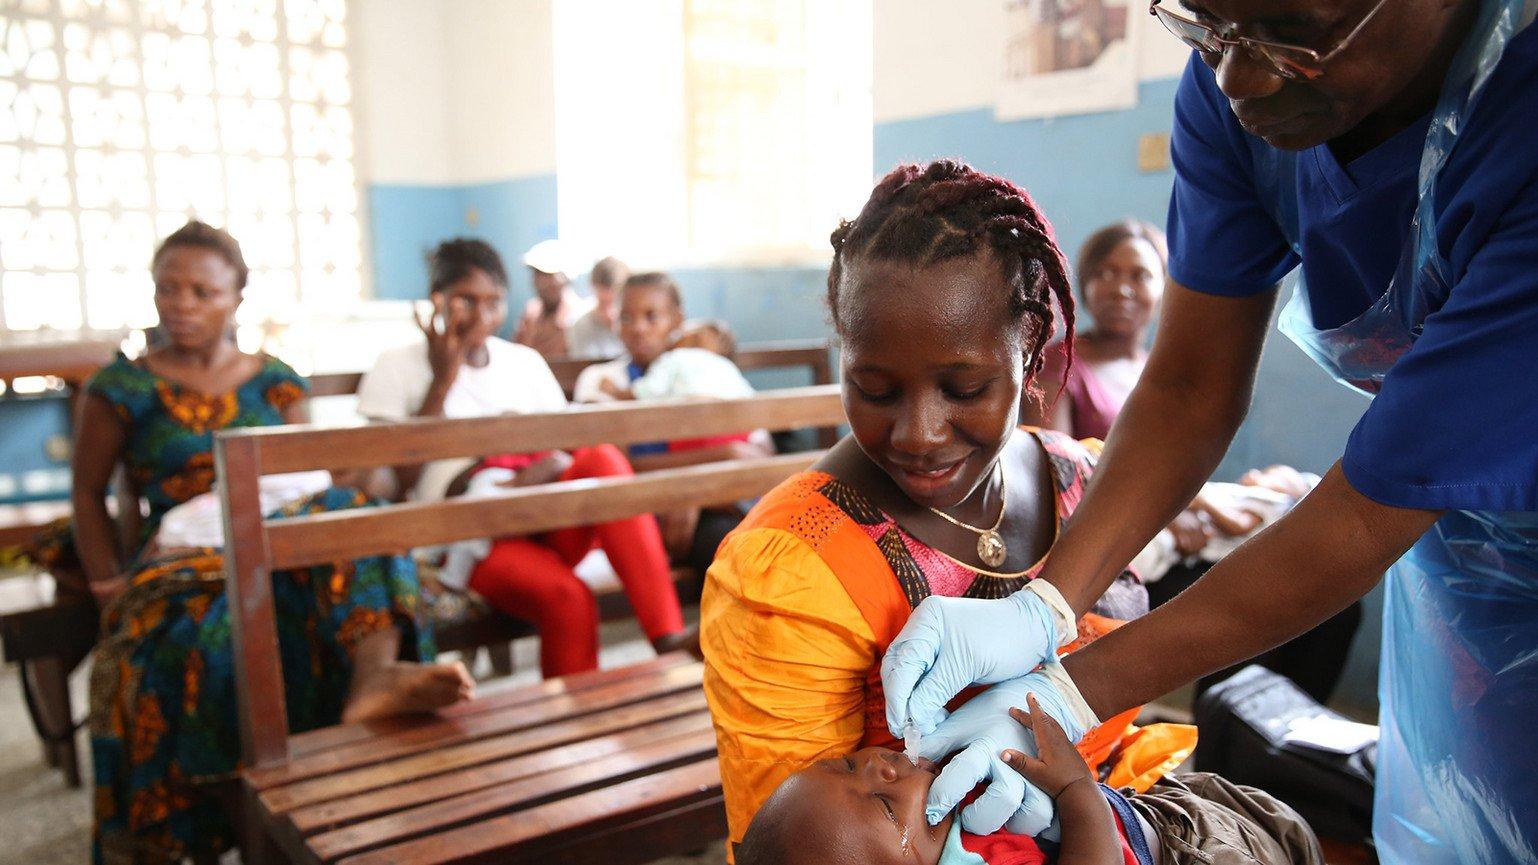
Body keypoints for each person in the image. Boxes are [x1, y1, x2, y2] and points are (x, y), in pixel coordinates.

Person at [882, 2, 1538, 862]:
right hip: (1461, 560)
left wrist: (1064, 694)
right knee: (1469, 819)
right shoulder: (1239, 65)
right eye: (1203, 25)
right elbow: (1190, 385)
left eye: (1291, 29)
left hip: (1427, 508)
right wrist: (1045, 605)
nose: (1239, 77)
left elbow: (1376, 501)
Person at [702, 161, 1162, 851]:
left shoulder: (1086, 482)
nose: (918, 432)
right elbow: (800, 851)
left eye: (965, 386)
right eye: (876, 388)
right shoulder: (793, 568)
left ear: (1030, 352)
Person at [76, 221, 471, 864]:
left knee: (352, 512)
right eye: (168, 289)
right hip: (185, 560)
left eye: (202, 291)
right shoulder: (121, 389)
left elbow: (304, 476)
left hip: (277, 543)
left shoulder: (277, 382)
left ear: (236, 298)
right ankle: (229, 817)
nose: (182, 304)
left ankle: (372, 689)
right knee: (201, 642)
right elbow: (87, 496)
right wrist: (106, 586)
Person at [1027, 220, 1361, 706]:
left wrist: (1210, 498)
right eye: (1104, 273)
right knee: (1257, 596)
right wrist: (1177, 508)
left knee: (1333, 604)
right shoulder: (1063, 363)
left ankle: (1271, 739)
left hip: (1183, 525)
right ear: (1084, 283)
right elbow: (1060, 466)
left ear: (1163, 286)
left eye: (1139, 275)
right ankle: (1228, 740)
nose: (1120, 287)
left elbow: (1183, 467)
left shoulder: (1160, 373)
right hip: (1113, 546)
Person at [357, 239, 690, 678]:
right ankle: (569, 736)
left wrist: (545, 467)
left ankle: (667, 635)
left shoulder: (523, 363)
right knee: (568, 599)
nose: (481, 316)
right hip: (470, 535)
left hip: (543, 512)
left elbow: (564, 446)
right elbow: (396, 483)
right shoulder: (397, 366)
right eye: (465, 301)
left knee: (604, 459)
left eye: (493, 302)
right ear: (437, 300)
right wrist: (442, 380)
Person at [737, 695, 1323, 865]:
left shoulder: (942, 817)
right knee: (1281, 834)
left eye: (845, 766)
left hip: (1149, 812)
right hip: (1183, 852)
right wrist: (1075, 793)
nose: (879, 767)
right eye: (887, 809)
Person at [573, 273, 772, 572]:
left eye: (651, 317)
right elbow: (615, 466)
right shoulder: (602, 381)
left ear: (677, 321)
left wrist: (697, 491)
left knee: (755, 546)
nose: (638, 328)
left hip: (714, 502)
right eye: (626, 317)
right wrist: (699, 477)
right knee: (732, 552)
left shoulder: (708, 372)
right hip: (644, 511)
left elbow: (758, 452)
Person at [513, 239, 590, 359]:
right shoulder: (531, 312)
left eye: (547, 275)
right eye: (537, 274)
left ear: (565, 277)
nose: (541, 282)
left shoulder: (580, 316)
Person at [568, 255, 629, 358]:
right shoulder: (581, 325)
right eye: (603, 302)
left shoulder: (633, 325)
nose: (609, 311)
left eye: (614, 302)